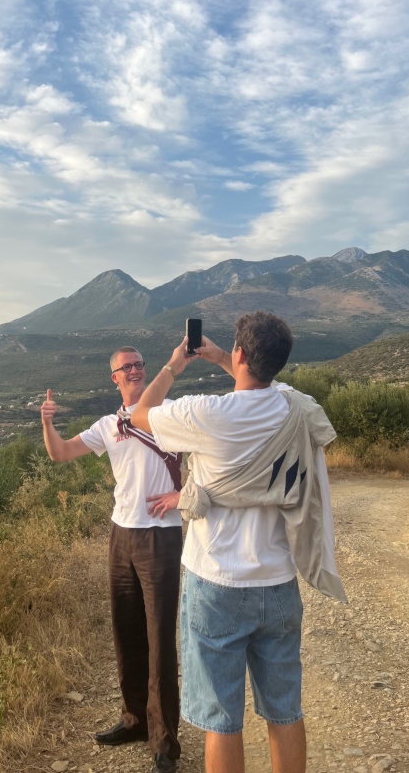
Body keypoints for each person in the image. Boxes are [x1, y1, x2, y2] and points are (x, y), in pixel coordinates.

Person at [129, 312, 345, 773]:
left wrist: (173, 366)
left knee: (221, 721)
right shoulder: (294, 407)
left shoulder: (206, 413)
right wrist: (226, 357)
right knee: (285, 710)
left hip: (216, 584)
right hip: (278, 582)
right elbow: (264, 382)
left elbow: (141, 415)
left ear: (241, 354)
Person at [41, 346, 183, 773]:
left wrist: (185, 493)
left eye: (141, 364)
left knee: (159, 639)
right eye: (128, 367)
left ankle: (164, 742)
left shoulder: (171, 411)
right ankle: (134, 720)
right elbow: (60, 454)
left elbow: (212, 449)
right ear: (115, 379)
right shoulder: (107, 425)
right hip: (121, 534)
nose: (137, 370)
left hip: (161, 534)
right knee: (126, 633)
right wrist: (46, 423)